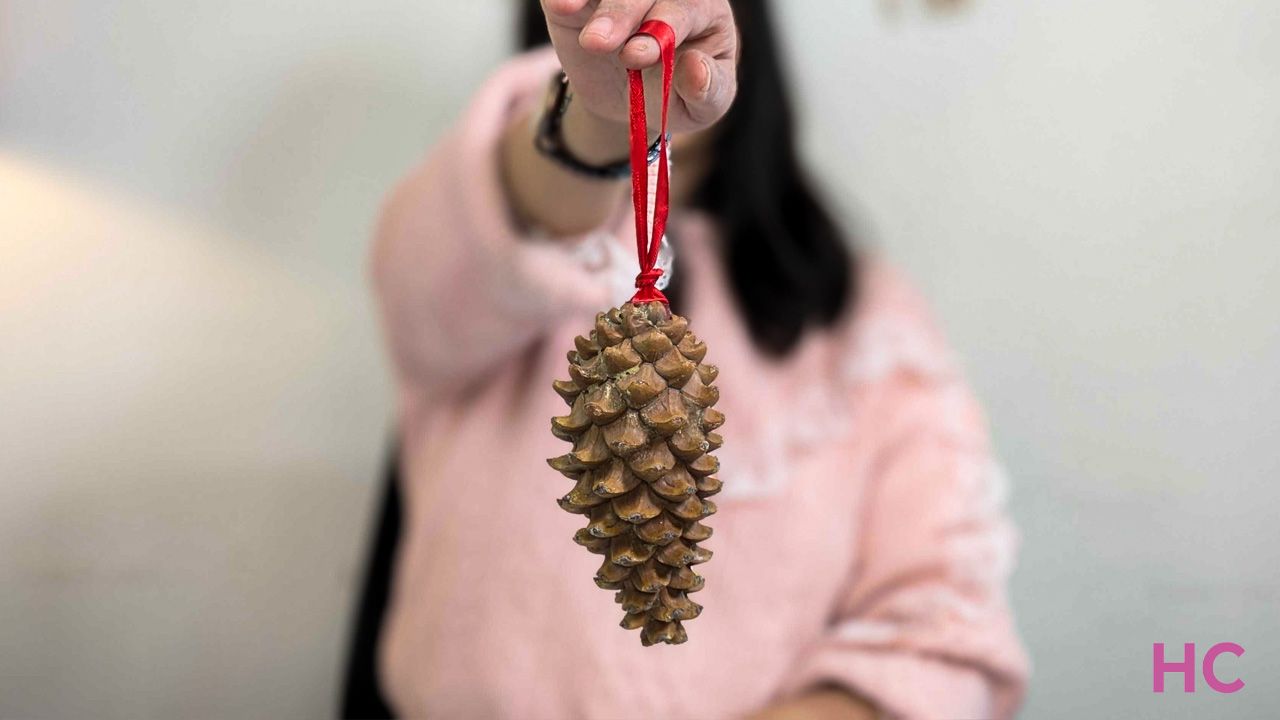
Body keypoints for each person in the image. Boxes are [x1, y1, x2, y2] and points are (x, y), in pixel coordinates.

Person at [368, 1, 1029, 717]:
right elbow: (449, 268)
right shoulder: (472, 233)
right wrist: (598, 119)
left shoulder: (864, 314)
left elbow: (945, 627)